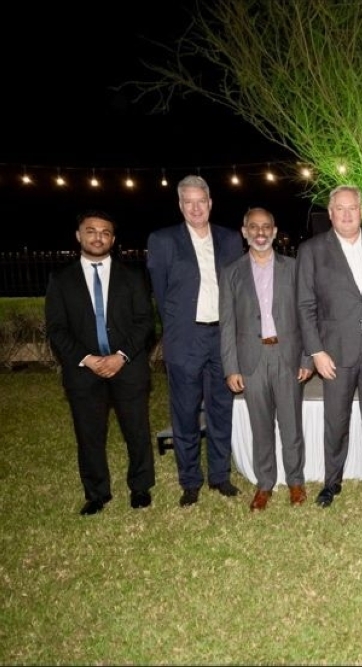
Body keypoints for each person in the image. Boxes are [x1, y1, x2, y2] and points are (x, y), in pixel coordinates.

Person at [45, 210, 156, 515]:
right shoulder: (62, 280)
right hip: (84, 372)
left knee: (136, 431)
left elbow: (145, 322)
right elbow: (56, 328)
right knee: (89, 435)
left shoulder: (131, 277)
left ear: (113, 239)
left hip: (127, 367)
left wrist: (120, 356)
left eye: (105, 232)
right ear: (79, 235)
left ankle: (141, 486)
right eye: (91, 231)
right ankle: (96, 493)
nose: (98, 237)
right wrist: (88, 359)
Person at [297, 185, 362, 507]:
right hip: (334, 353)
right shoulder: (312, 250)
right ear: (330, 213)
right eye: (339, 208)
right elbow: (304, 305)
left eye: (352, 207)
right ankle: (332, 482)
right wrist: (316, 352)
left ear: (361, 211)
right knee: (336, 420)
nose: (346, 214)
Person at [147, 175, 244, 506]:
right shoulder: (163, 240)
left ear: (210, 202)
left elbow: (238, 289)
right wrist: (177, 329)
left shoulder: (230, 239)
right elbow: (160, 293)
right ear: (180, 205)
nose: (195, 207)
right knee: (185, 412)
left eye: (200, 201)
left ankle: (219, 476)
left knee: (221, 408)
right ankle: (190, 481)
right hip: (185, 338)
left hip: (222, 337)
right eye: (188, 202)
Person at [220, 207, 313, 512]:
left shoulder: (295, 268)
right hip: (252, 360)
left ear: (274, 232)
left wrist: (307, 358)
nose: (260, 232)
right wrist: (231, 367)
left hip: (287, 356)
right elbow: (228, 324)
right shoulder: (232, 272)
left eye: (266, 227)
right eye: (253, 227)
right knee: (260, 426)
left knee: (291, 426)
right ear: (244, 232)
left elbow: (307, 316)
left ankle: (296, 481)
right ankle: (264, 484)